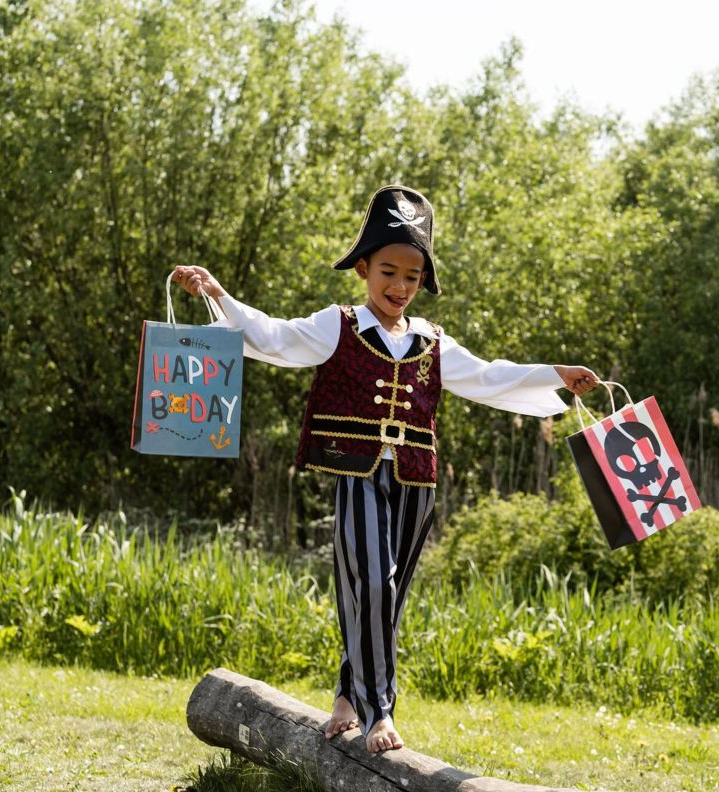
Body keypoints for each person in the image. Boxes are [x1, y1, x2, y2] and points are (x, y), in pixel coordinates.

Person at [173, 184, 598, 754]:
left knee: (389, 597)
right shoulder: (339, 324)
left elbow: (489, 375)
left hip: (417, 478)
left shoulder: (431, 341)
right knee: (372, 582)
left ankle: (348, 693)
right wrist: (218, 293)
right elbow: (275, 337)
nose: (399, 286)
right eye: (388, 273)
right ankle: (381, 711)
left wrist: (556, 373)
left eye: (412, 277)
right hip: (357, 471)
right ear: (363, 270)